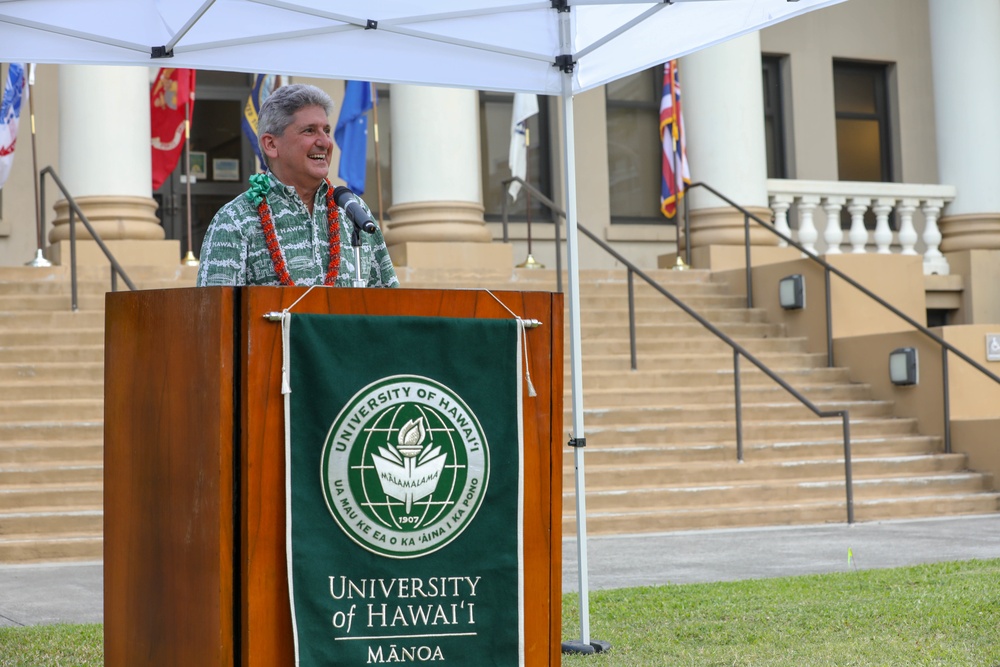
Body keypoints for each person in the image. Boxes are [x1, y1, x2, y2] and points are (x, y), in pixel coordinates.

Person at [196, 84, 398, 288]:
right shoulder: (235, 220)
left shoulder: (354, 212)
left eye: (326, 130)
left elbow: (390, 304)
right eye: (309, 131)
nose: (325, 142)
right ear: (271, 145)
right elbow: (214, 314)